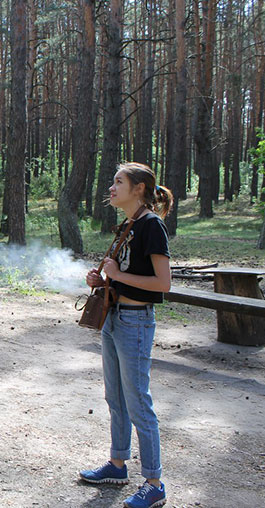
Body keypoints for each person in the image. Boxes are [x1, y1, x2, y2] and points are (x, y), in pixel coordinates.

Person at [78, 162, 173, 508]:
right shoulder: (128, 225)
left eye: (119, 182)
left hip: (135, 321)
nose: (112, 187)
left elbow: (163, 284)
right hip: (114, 317)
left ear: (139, 189)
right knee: (115, 398)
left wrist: (118, 274)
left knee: (138, 404)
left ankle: (154, 482)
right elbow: (127, 273)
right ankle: (118, 464)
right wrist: (104, 280)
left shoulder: (152, 226)